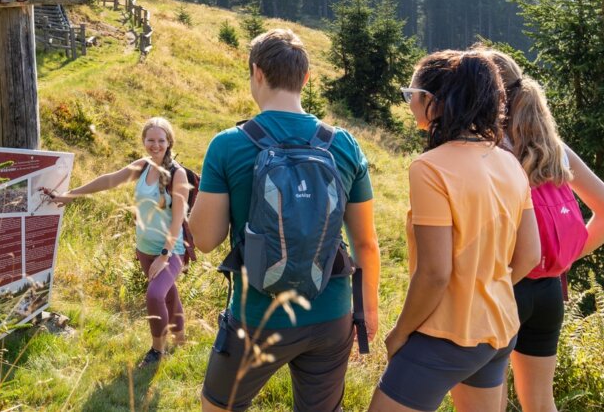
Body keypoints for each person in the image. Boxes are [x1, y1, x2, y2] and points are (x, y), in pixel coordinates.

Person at [190, 28, 381, 412]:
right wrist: (367, 311)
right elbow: (366, 244)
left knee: (218, 407)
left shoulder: (228, 144)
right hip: (330, 313)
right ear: (305, 78)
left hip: (258, 315)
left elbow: (205, 239)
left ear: (256, 73)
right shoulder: (343, 144)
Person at [369, 50, 541, 412]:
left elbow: (435, 273)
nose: (409, 101)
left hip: (445, 335)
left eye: (411, 93)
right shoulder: (509, 162)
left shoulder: (430, 168)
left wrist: (399, 333)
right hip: (499, 330)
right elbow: (529, 255)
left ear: (432, 102)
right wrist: (485, 291)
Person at [480, 49, 604, 412]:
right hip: (548, 290)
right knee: (541, 403)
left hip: (502, 284)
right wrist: (559, 256)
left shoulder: (486, 150)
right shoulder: (553, 149)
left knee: (488, 401)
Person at [47, 116, 188, 368]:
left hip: (170, 250)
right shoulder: (142, 166)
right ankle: (180, 339)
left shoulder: (178, 174)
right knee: (168, 295)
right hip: (144, 249)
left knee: (155, 295)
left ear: (169, 142)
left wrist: (165, 255)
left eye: (161, 140)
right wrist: (71, 195)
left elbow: (178, 219)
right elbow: (109, 180)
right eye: (150, 140)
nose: (155, 145)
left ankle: (158, 351)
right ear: (144, 141)